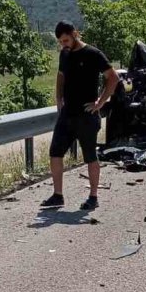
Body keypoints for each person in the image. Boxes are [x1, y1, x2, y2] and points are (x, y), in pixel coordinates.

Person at [40, 22, 120, 211]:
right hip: (67, 113)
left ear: (75, 34)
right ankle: (58, 195)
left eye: (66, 40)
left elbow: (113, 77)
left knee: (90, 156)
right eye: (60, 42)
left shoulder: (93, 54)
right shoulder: (64, 54)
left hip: (86, 114)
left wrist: (100, 102)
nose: (64, 45)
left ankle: (93, 197)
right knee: (55, 153)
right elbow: (61, 75)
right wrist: (58, 98)